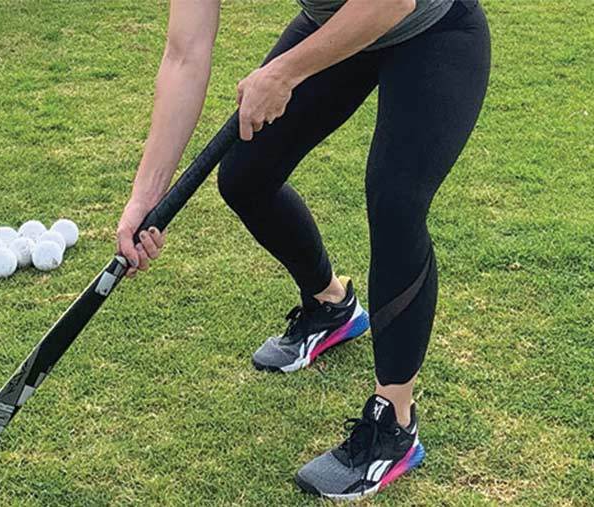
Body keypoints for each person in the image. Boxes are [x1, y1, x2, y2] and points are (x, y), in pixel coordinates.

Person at [116, 0, 490, 500]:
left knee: (396, 202)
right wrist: (146, 195)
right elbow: (186, 53)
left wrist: (287, 72)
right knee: (247, 177)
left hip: (433, 28)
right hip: (336, 27)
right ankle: (331, 305)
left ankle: (394, 422)